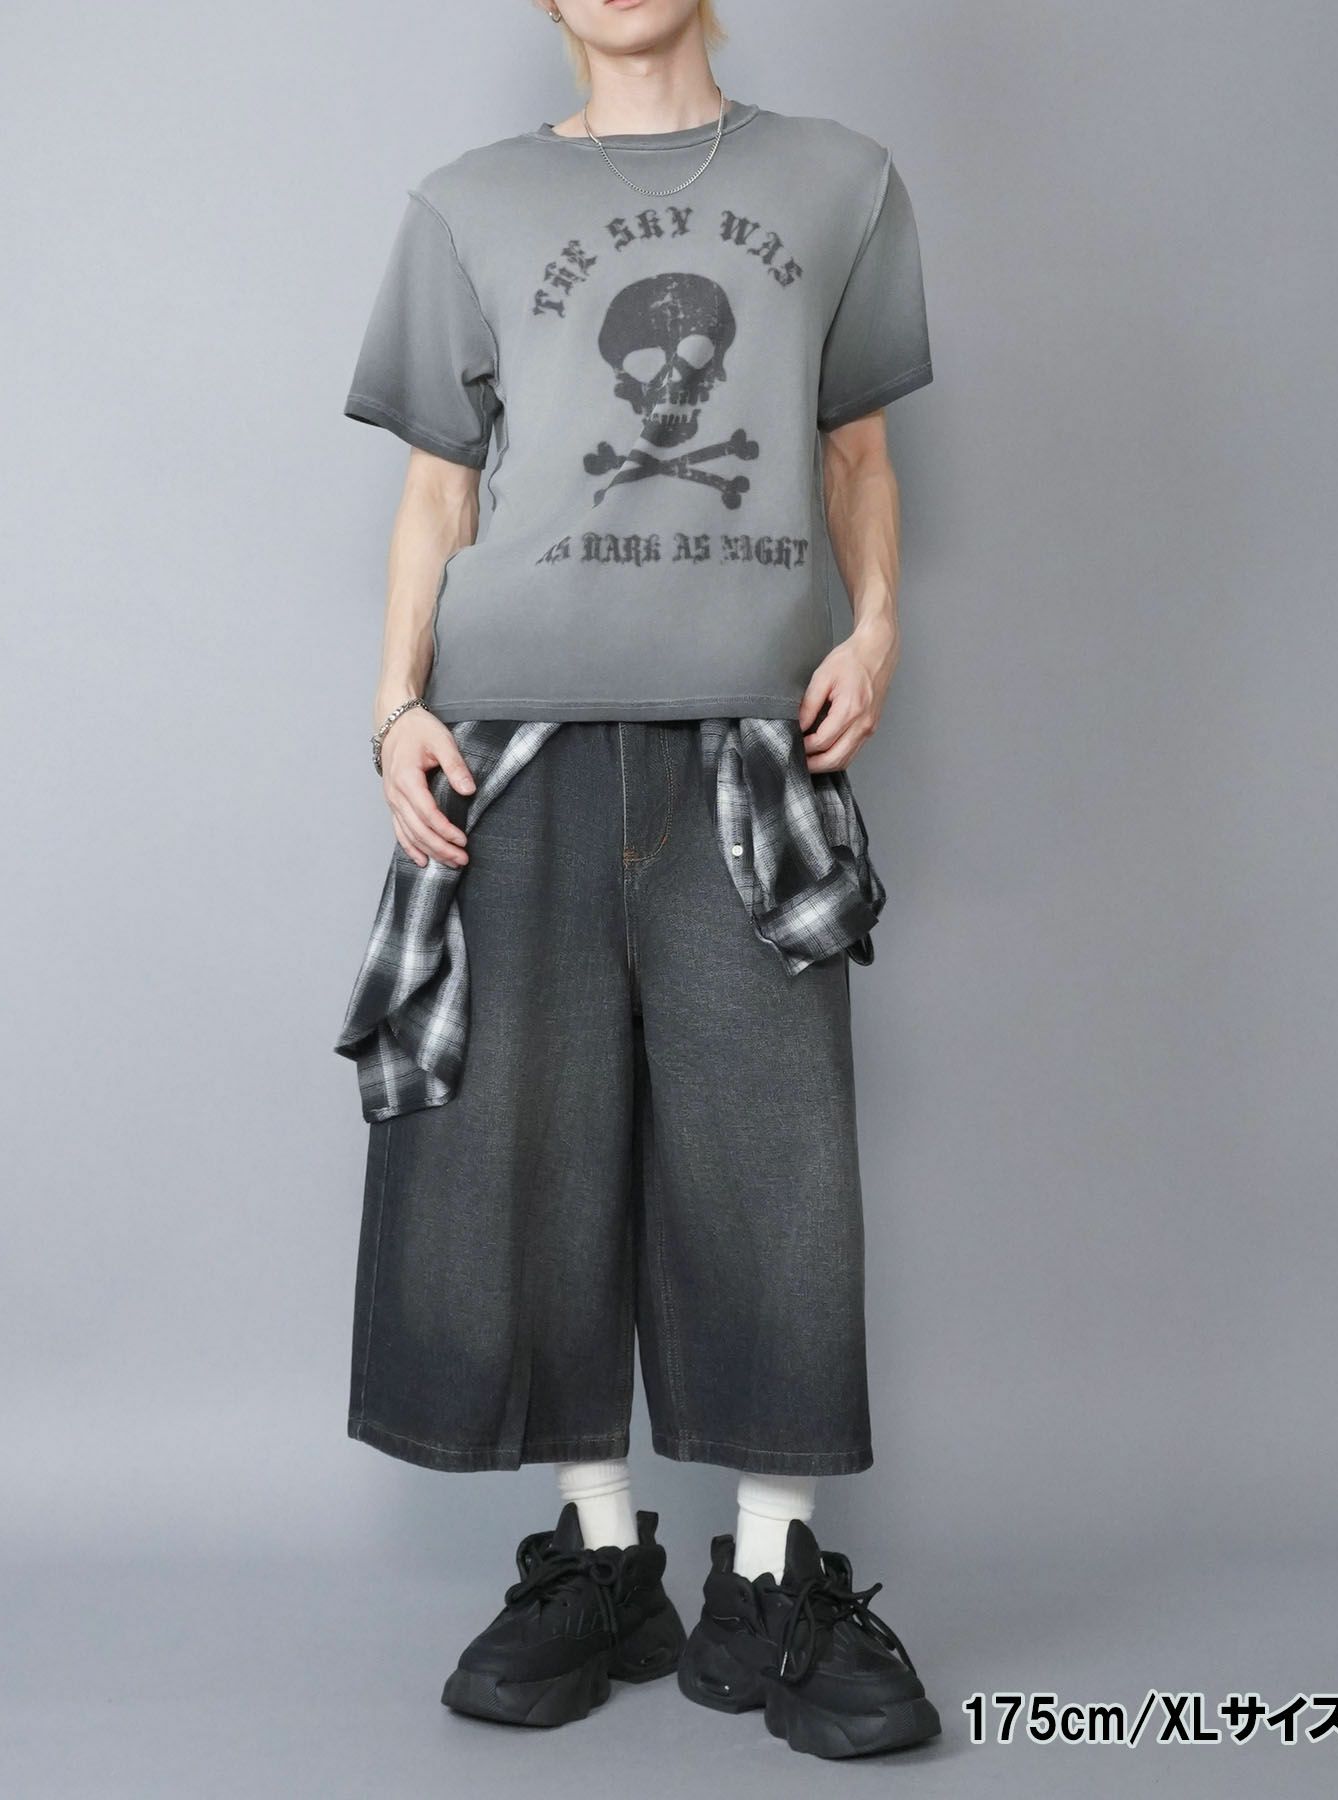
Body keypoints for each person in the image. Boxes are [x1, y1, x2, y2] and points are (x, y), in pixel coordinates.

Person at [334, 0, 940, 1760]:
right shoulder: (466, 205)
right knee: (521, 1149)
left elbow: (856, 452)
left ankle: (774, 1578)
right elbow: (437, 492)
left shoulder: (842, 183)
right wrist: (392, 708)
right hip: (513, 746)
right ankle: (604, 1560)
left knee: (773, 1162)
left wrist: (878, 630)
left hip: (750, 745)